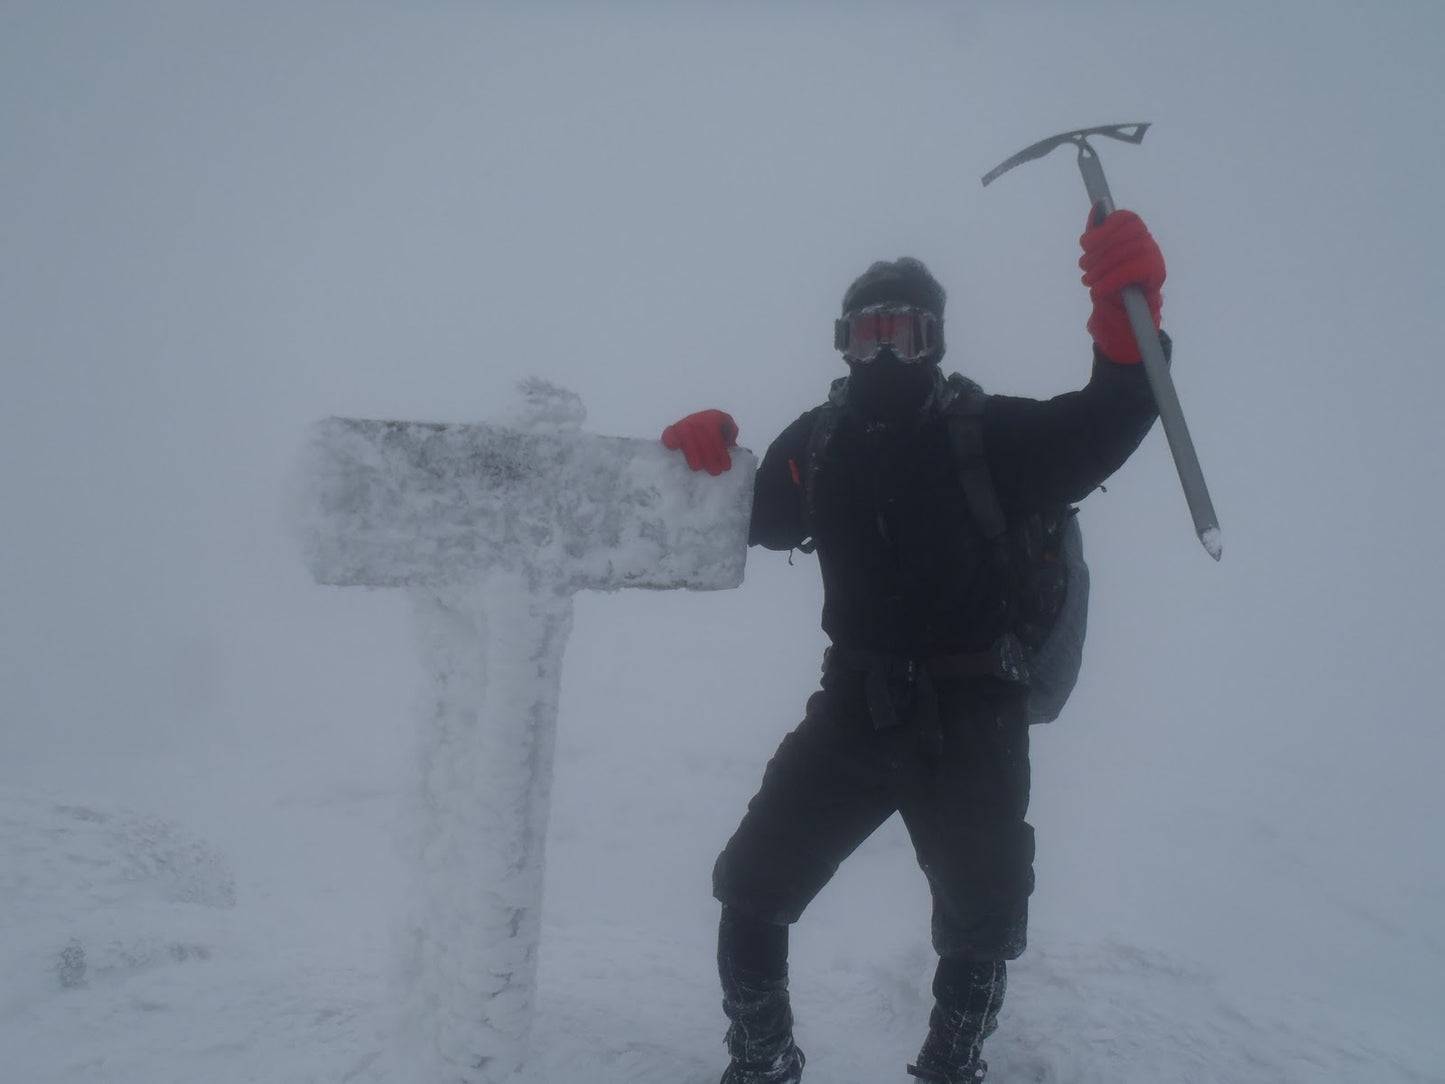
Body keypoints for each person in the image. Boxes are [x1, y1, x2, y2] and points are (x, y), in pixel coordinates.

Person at [661, 208, 1169, 1084]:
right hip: (853, 705)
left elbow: (1115, 414)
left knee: (980, 920)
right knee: (749, 886)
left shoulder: (992, 437)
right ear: (841, 343)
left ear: (933, 339)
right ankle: (761, 1058)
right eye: (867, 333)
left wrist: (1127, 311)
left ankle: (950, 1066)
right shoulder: (815, 447)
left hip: (973, 712)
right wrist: (703, 455)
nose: (884, 352)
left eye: (902, 331)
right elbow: (737, 518)